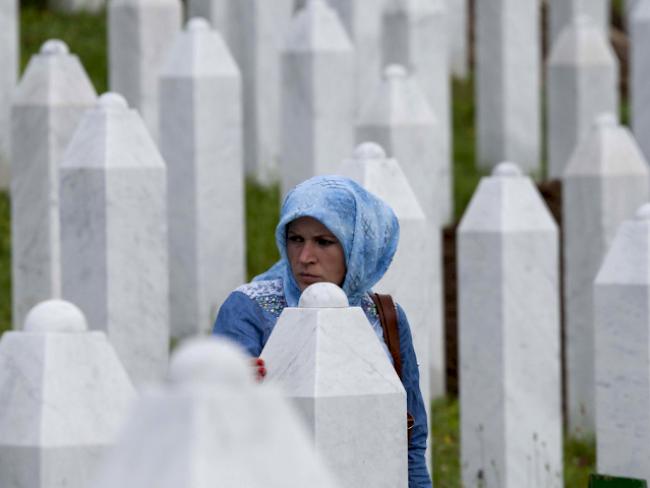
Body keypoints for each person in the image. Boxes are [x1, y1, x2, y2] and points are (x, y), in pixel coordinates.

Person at [213, 175, 432, 487]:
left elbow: (410, 435)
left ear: (358, 247)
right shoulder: (248, 309)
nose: (305, 258)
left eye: (324, 242)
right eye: (296, 239)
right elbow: (218, 433)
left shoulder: (386, 316)